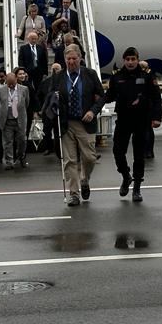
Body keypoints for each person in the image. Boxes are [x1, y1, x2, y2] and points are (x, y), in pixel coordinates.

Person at [105, 47, 162, 203]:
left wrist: (157, 117)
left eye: (133, 59)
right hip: (123, 120)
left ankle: (137, 187)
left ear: (137, 60)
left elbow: (156, 97)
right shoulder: (117, 77)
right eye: (127, 59)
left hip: (141, 120)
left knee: (139, 155)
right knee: (118, 151)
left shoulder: (147, 76)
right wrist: (96, 97)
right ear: (124, 60)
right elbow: (109, 95)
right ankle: (125, 176)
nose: (130, 62)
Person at [52, 45, 106, 207]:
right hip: (66, 123)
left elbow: (102, 97)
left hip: (85, 122)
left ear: (80, 58)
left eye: (74, 58)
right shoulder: (59, 77)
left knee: (89, 158)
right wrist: (53, 101)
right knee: (70, 161)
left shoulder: (90, 74)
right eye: (68, 59)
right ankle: (74, 194)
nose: (71, 62)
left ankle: (84, 179)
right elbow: (49, 97)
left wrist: (93, 111)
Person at [0, 71, 31, 170]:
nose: (10, 86)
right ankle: (9, 162)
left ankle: (21, 156)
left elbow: (27, 103)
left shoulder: (24, 89)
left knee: (22, 140)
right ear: (6, 80)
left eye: (12, 84)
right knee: (7, 142)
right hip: (7, 120)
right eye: (8, 84)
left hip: (20, 119)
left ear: (16, 79)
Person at [37, 62, 62, 156]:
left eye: (57, 69)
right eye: (54, 69)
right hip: (47, 111)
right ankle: (48, 148)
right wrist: (40, 108)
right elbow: (38, 95)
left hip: (59, 110)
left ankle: (59, 149)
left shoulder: (63, 80)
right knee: (46, 131)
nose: (55, 71)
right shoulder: (45, 82)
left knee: (58, 131)